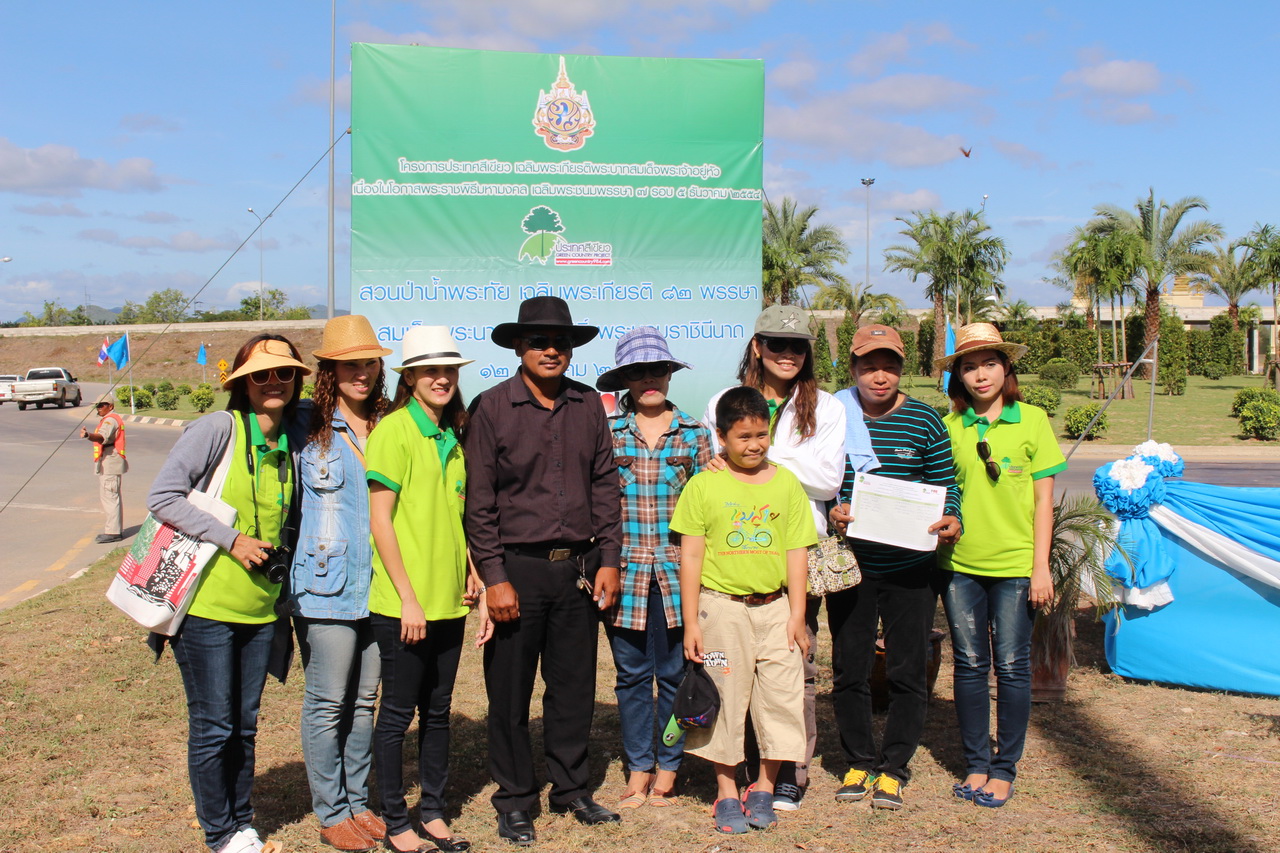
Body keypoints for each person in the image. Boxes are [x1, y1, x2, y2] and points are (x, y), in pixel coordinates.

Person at [464, 296, 623, 846]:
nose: (551, 350)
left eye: (560, 342)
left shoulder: (587, 404)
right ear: (518, 347)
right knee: (509, 693)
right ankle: (514, 799)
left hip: (578, 568)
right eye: (538, 342)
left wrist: (609, 559)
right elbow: (479, 502)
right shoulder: (491, 407)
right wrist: (494, 576)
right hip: (517, 571)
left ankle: (572, 788)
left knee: (574, 687)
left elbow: (605, 486)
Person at [147, 334, 310, 853]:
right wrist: (231, 539)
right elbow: (162, 496)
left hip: (261, 610)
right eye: (261, 374)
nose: (273, 382)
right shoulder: (218, 429)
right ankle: (220, 832)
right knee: (214, 724)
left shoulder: (293, 439)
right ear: (242, 381)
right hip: (206, 608)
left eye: (284, 372)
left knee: (245, 725)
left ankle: (241, 820)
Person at [701, 305, 845, 809]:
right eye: (777, 344)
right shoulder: (723, 401)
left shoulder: (826, 407)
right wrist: (755, 458)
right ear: (757, 346)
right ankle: (736, 770)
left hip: (797, 553)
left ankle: (786, 771)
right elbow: (714, 472)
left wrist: (754, 453)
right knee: (732, 670)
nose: (788, 354)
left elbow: (827, 480)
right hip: (734, 556)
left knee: (793, 667)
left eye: (798, 345)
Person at [826, 325, 962, 810]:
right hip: (853, 568)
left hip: (911, 570)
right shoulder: (833, 416)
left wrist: (953, 519)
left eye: (889, 367)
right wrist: (834, 511)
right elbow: (821, 483)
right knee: (850, 670)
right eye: (869, 367)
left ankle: (894, 768)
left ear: (903, 370)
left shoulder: (924, 420)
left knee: (907, 672)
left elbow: (947, 486)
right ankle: (859, 761)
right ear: (853, 369)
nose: (879, 377)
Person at [366, 325, 490, 853]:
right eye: (431, 371)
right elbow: (381, 522)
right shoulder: (393, 432)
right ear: (410, 377)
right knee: (397, 714)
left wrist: (472, 571)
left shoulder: (452, 438)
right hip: (405, 606)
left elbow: (454, 518)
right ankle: (396, 821)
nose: (442, 379)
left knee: (437, 713)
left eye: (449, 370)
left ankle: (433, 812)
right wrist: (408, 599)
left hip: (448, 603)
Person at [671, 386, 816, 835]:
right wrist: (691, 621)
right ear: (721, 437)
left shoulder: (786, 483)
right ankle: (727, 791)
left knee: (781, 698)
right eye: (743, 437)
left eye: (761, 435)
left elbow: (796, 552)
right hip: (721, 610)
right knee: (726, 699)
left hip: (776, 610)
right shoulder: (703, 485)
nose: (754, 445)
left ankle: (765, 787)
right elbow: (691, 556)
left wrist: (797, 614)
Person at [934, 323, 1066, 808]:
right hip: (959, 566)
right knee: (969, 665)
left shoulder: (1032, 420)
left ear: (1006, 368)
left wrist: (1040, 567)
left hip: (1015, 567)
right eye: (969, 367)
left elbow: (1044, 502)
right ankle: (976, 763)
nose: (980, 374)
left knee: (1011, 666)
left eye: (989, 363)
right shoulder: (949, 427)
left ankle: (1004, 768)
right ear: (959, 377)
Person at [596, 326, 713, 809]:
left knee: (673, 675)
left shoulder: (695, 434)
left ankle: (669, 765)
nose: (649, 379)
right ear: (625, 379)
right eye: (638, 371)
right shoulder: (607, 433)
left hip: (676, 575)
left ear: (670, 374)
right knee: (630, 676)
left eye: (658, 369)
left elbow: (708, 510)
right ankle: (638, 766)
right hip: (623, 574)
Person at [289, 315, 392, 852]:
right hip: (324, 587)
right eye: (349, 364)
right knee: (328, 702)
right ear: (329, 370)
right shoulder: (305, 424)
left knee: (364, 701)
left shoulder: (390, 424)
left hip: (380, 585)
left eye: (368, 362)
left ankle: (358, 802)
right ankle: (331, 812)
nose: (361, 372)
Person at [82, 395, 128, 543]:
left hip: (110, 462)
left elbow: (102, 437)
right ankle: (114, 530)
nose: (99, 408)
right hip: (109, 461)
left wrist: (88, 435)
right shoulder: (109, 419)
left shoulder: (110, 420)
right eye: (97, 405)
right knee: (111, 496)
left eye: (102, 405)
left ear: (111, 406)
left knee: (110, 497)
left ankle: (113, 532)